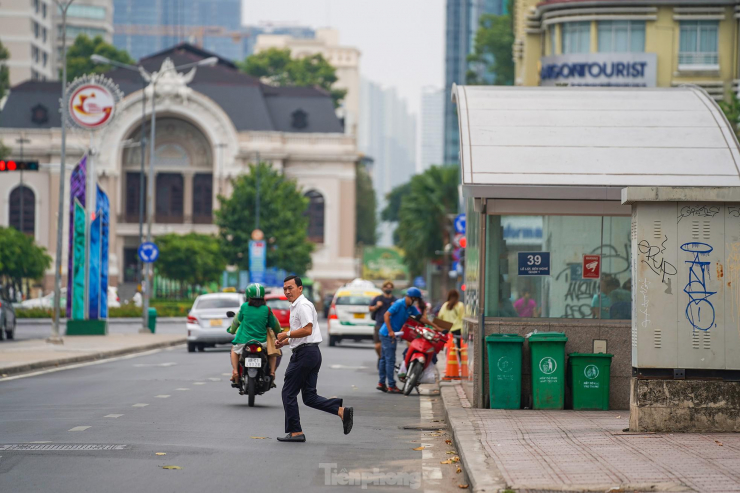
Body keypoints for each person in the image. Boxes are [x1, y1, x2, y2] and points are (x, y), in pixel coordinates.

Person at [275, 275, 353, 443]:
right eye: (285, 289)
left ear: (300, 288)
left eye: (291, 288)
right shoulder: (296, 306)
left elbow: (307, 330)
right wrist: (285, 341)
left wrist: (286, 333)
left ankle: (296, 432)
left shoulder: (302, 305)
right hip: (310, 353)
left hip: (304, 355)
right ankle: (341, 411)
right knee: (309, 397)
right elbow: (301, 334)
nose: (287, 291)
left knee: (288, 393)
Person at [377, 287, 434, 393]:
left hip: (390, 334)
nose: (415, 301)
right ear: (410, 297)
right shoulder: (399, 303)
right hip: (387, 334)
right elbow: (386, 315)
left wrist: (434, 326)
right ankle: (391, 385)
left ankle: (381, 383)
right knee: (390, 360)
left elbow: (420, 318)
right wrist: (390, 331)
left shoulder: (410, 308)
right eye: (414, 299)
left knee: (384, 359)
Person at [227, 283, 281, 384]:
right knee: (273, 351)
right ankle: (272, 373)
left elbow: (236, 321)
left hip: (244, 342)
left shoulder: (244, 307)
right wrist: (279, 332)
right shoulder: (267, 309)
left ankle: (235, 372)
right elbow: (274, 324)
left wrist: (231, 330)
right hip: (262, 343)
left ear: (248, 295)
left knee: (234, 350)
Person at [369, 281, 397, 362]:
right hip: (379, 324)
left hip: (391, 326)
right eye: (386, 287)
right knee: (378, 345)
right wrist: (376, 306)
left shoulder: (394, 300)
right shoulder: (378, 298)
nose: (388, 289)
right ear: (383, 288)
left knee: (389, 346)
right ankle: (381, 358)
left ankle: (385, 360)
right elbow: (370, 308)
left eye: (390, 287)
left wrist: (394, 306)